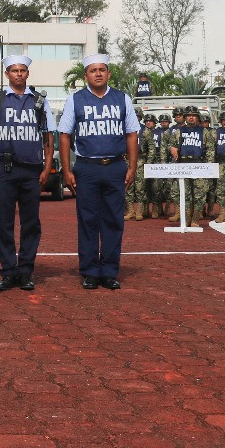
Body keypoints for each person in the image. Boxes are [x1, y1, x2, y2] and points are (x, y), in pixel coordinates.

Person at [58, 54, 140, 289]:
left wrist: (132, 167)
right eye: (93, 70)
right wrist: (67, 170)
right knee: (88, 220)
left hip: (115, 166)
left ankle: (110, 271)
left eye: (102, 69)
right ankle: (90, 271)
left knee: (114, 220)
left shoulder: (122, 99)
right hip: (87, 168)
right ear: (85, 75)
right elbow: (64, 135)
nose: (98, 74)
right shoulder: (75, 100)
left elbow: (132, 134)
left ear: (109, 73)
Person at [0, 54, 55, 291]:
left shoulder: (40, 101)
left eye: (23, 70)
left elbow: (48, 136)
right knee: (4, 222)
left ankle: (25, 271)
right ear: (7, 74)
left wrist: (46, 168)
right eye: (14, 71)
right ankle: (7, 270)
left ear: (27, 73)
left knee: (31, 222)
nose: (19, 74)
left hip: (32, 170)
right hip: (4, 169)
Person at [167, 106, 215, 226]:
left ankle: (195, 219)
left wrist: (208, 168)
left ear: (197, 117)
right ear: (185, 117)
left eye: (193, 115)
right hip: (183, 165)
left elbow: (210, 150)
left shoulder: (204, 132)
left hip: (199, 165)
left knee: (199, 195)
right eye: (188, 115)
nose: (191, 117)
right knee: (185, 194)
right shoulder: (178, 132)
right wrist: (171, 148)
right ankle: (186, 218)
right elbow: (171, 145)